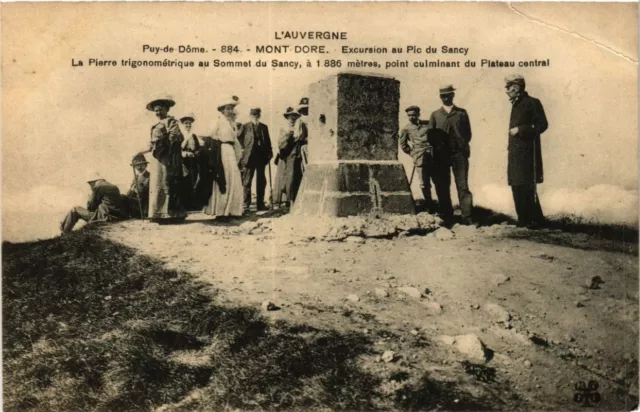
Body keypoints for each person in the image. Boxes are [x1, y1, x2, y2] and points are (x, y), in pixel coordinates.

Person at [505, 74, 548, 229]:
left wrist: (521, 130)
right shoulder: (516, 104)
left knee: (528, 185)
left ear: (516, 88)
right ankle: (523, 219)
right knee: (516, 184)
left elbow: (542, 124)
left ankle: (536, 220)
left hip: (528, 153)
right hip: (516, 153)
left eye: (508, 87)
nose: (507, 90)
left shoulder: (532, 103)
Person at [399, 105, 453, 226]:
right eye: (409, 115)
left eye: (413, 114)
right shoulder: (406, 129)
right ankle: (429, 205)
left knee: (438, 182)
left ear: (418, 114)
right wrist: (413, 153)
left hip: (433, 157)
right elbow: (403, 145)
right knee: (424, 184)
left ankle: (443, 208)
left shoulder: (428, 124)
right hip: (419, 158)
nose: (411, 117)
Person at [137, 95, 187, 223]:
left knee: (166, 183)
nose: (158, 112)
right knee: (157, 183)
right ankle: (157, 213)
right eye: (156, 110)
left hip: (167, 157)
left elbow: (173, 137)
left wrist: (165, 150)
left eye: (160, 109)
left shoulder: (171, 121)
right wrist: (139, 151)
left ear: (167, 109)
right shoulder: (156, 125)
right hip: (157, 158)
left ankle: (169, 214)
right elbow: (152, 144)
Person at [429, 85, 474, 224]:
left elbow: (468, 134)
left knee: (463, 185)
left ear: (453, 95)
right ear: (440, 97)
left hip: (459, 154)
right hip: (441, 156)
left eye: (448, 95)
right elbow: (431, 135)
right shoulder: (435, 114)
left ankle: (467, 217)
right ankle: (447, 217)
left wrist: (461, 144)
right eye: (443, 95)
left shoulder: (462, 113)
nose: (446, 97)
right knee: (443, 185)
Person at [204, 95, 244, 218]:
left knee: (233, 178)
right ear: (222, 110)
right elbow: (209, 135)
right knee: (223, 178)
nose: (230, 111)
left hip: (231, 151)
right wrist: (217, 143)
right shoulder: (218, 121)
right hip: (222, 151)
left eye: (231, 108)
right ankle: (221, 212)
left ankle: (232, 210)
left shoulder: (232, 123)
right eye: (227, 108)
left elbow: (235, 139)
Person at [60, 172, 126, 233]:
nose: (90, 185)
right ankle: (63, 226)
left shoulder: (99, 187)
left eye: (89, 183)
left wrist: (91, 195)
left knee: (74, 209)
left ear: (93, 182)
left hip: (104, 217)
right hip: (116, 216)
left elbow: (90, 207)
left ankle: (65, 232)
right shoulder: (113, 186)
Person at [238, 108, 273, 211]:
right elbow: (238, 139)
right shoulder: (245, 127)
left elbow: (268, 142)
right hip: (249, 157)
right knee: (247, 180)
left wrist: (269, 154)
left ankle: (260, 204)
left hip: (261, 157)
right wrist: (243, 150)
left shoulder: (264, 127)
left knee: (261, 181)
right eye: (253, 114)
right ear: (250, 115)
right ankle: (246, 204)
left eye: (257, 114)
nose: (255, 116)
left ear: (260, 115)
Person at [273, 107, 307, 208]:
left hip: (297, 153)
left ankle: (295, 199)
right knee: (287, 177)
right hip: (287, 155)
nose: (292, 119)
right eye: (290, 117)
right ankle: (287, 200)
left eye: (294, 116)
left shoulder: (301, 126)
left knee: (296, 176)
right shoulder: (284, 129)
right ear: (287, 117)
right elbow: (281, 144)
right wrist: (289, 135)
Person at [180, 112, 203, 210]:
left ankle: (194, 204)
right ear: (183, 124)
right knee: (185, 180)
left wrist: (196, 153)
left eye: (189, 123)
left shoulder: (194, 136)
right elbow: (178, 148)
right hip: (184, 161)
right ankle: (186, 204)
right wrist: (184, 153)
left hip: (193, 160)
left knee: (194, 179)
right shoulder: (180, 135)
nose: (188, 125)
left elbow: (198, 147)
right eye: (186, 123)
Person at [122, 153, 150, 219]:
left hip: (143, 202)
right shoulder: (136, 176)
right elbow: (131, 188)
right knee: (122, 197)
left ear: (145, 165)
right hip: (135, 200)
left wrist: (134, 189)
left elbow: (143, 191)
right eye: (137, 165)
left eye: (141, 165)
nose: (139, 167)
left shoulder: (148, 176)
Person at [296, 97, 310, 172]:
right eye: (303, 109)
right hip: (303, 144)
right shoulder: (300, 121)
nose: (305, 111)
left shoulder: (314, 119)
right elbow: (297, 135)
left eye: (306, 109)